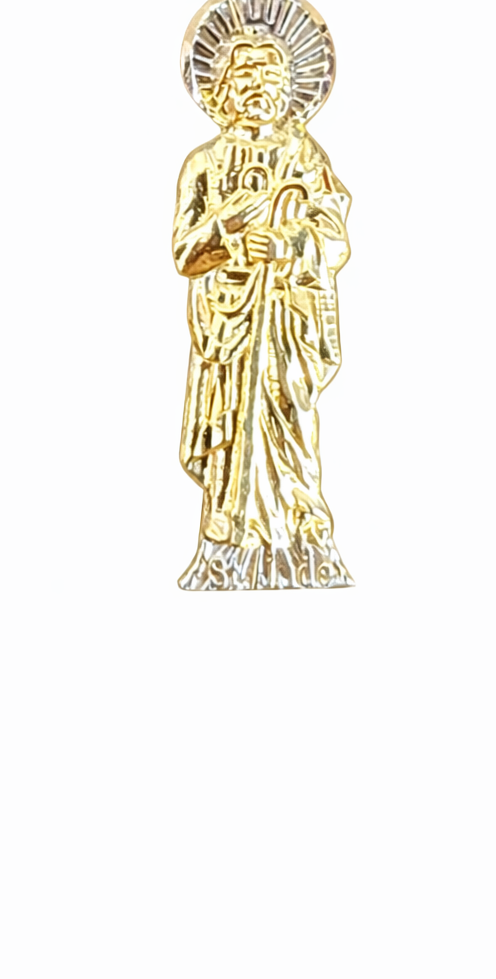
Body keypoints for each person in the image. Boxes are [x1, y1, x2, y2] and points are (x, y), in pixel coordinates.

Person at [173, 35, 353, 590]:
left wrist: (286, 244)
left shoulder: (304, 156)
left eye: (270, 77)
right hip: (227, 328)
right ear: (222, 90)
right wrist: (228, 231)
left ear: (288, 89)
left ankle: (299, 537)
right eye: (245, 77)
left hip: (285, 321)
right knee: (231, 430)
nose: (258, 88)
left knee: (288, 419)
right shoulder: (204, 164)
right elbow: (184, 254)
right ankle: (226, 547)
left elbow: (334, 235)